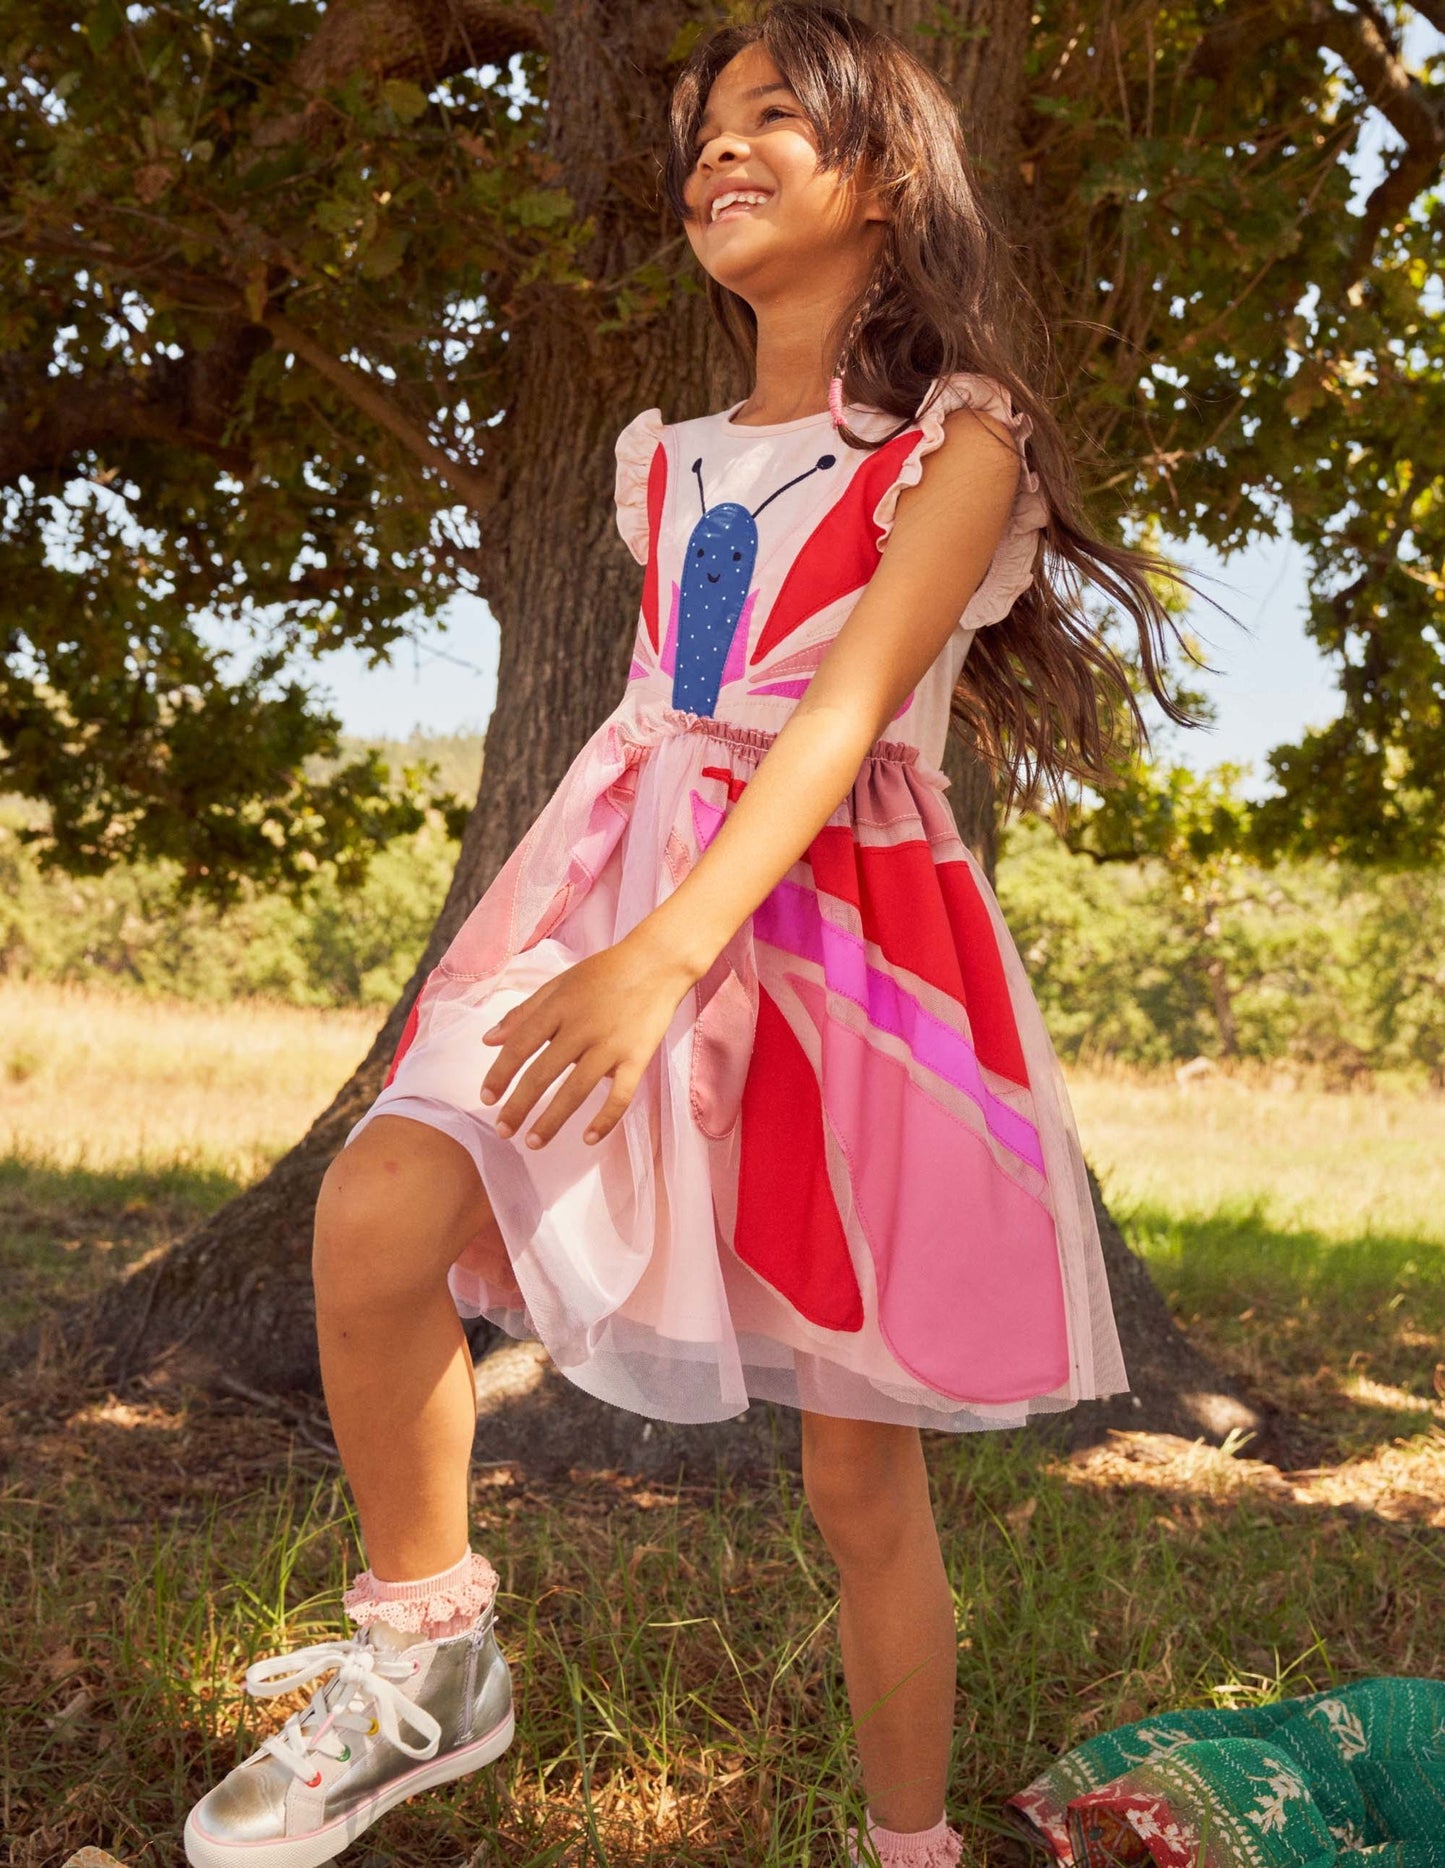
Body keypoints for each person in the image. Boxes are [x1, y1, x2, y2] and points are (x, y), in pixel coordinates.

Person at [183, 6, 1215, 1866]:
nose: (714, 156)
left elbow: (836, 719)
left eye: (767, 122)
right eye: (697, 133)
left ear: (885, 178)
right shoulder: (655, 457)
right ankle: (427, 1655)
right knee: (380, 1204)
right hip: (606, 886)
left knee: (854, 1470)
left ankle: (913, 1852)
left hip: (833, 952)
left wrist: (676, 950)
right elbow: (662, 709)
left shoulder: (959, 437)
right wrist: (620, 930)